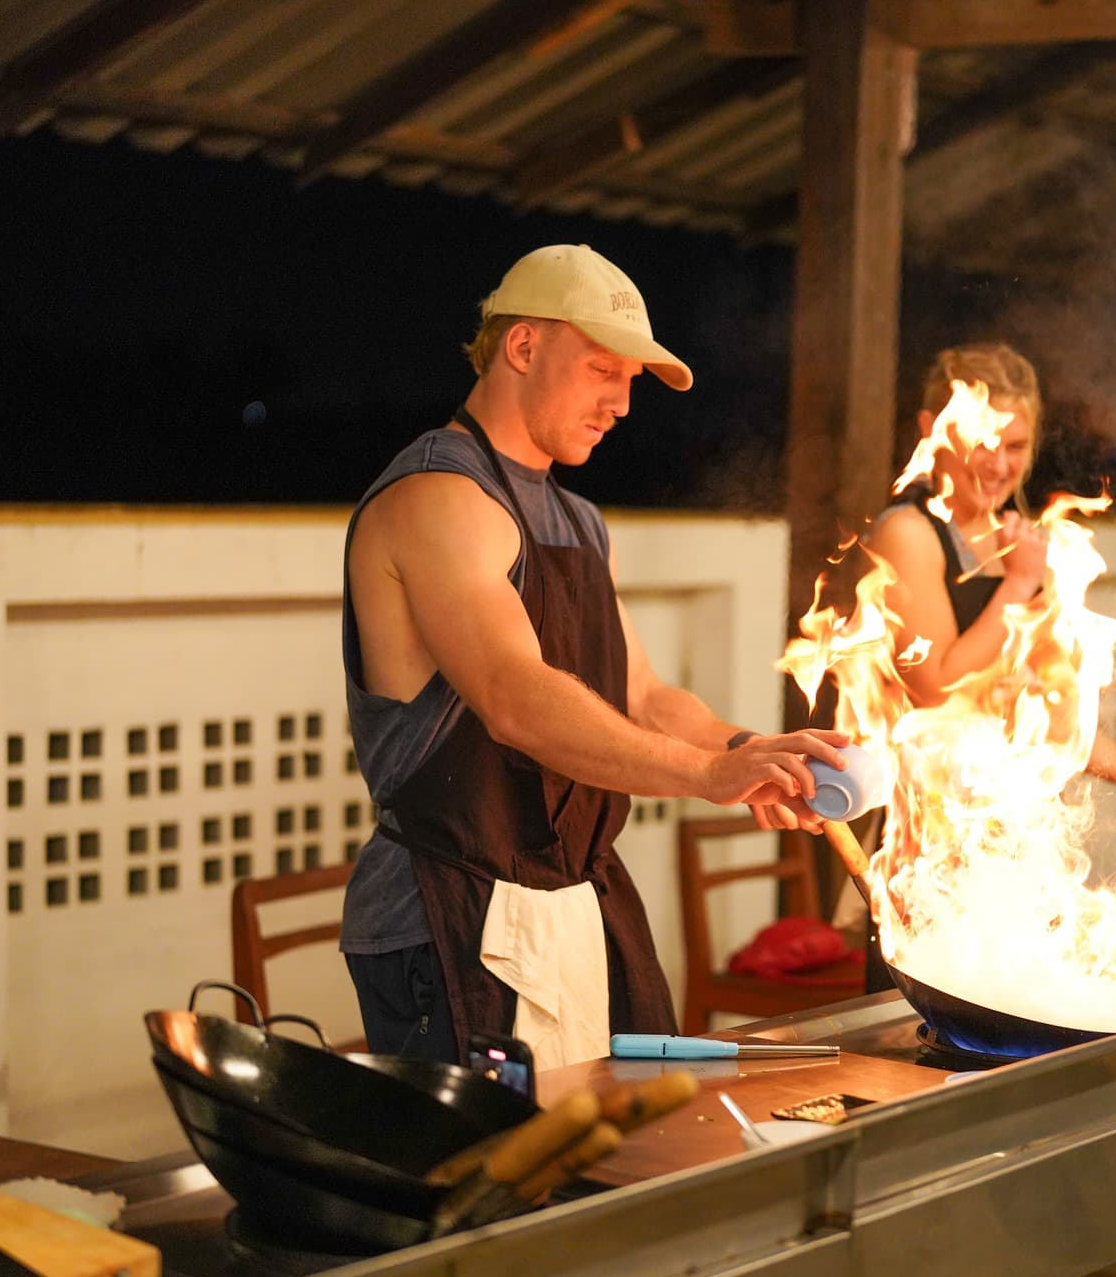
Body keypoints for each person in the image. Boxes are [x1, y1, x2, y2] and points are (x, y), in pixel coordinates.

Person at [338, 243, 846, 1067]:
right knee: (490, 1186)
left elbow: (641, 694)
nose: (621, 403)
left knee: (628, 1160)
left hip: (580, 898)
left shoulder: (579, 520)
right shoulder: (438, 496)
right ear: (523, 346)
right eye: (603, 369)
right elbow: (515, 695)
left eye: (632, 382)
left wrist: (746, 751)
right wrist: (700, 777)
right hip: (448, 914)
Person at [865, 342, 1116, 862]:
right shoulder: (908, 533)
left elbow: (1060, 723)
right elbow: (936, 690)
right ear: (932, 429)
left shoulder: (1022, 546)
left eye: (1014, 446)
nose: (997, 465)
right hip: (933, 843)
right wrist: (1017, 586)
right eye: (981, 444)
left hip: (1020, 834)